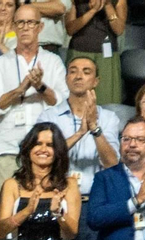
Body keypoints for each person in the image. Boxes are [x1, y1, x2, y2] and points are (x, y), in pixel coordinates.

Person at [0, 6, 63, 193]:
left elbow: (61, 102)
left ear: (40, 27)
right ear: (14, 27)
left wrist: (40, 86)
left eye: (30, 22)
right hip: (6, 148)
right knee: (4, 214)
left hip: (44, 150)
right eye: (20, 23)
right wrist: (20, 90)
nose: (25, 27)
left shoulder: (53, 61)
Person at [37, 56, 120, 208]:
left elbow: (112, 163)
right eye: (73, 71)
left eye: (86, 72)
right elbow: (44, 156)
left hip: (95, 201)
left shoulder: (109, 118)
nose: (78, 76)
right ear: (66, 79)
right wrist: (80, 133)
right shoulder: (48, 117)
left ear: (96, 81)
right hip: (56, 199)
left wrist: (94, 128)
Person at [63, 0, 125, 105]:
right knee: (76, 98)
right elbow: (70, 29)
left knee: (107, 99)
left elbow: (119, 30)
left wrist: (108, 5)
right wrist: (93, 11)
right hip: (79, 52)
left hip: (107, 57)